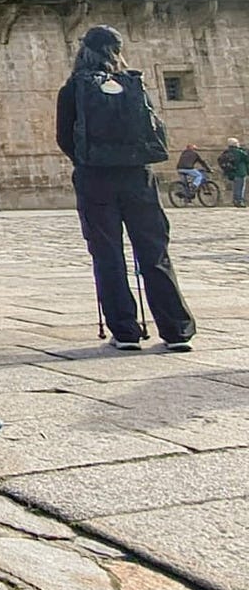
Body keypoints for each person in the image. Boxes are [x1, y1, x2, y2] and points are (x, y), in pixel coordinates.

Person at [56, 26, 196, 352]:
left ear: (84, 51)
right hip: (138, 176)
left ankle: (125, 331)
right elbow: (154, 129)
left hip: (95, 178)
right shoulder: (133, 84)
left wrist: (87, 161)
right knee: (154, 251)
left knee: (107, 254)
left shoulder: (73, 89)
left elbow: (64, 137)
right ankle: (176, 330)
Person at [218, 138, 249, 209]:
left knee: (236, 187)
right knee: (240, 187)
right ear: (235, 144)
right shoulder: (239, 152)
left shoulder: (227, 152)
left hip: (231, 172)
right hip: (240, 172)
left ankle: (235, 200)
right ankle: (239, 201)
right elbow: (247, 159)